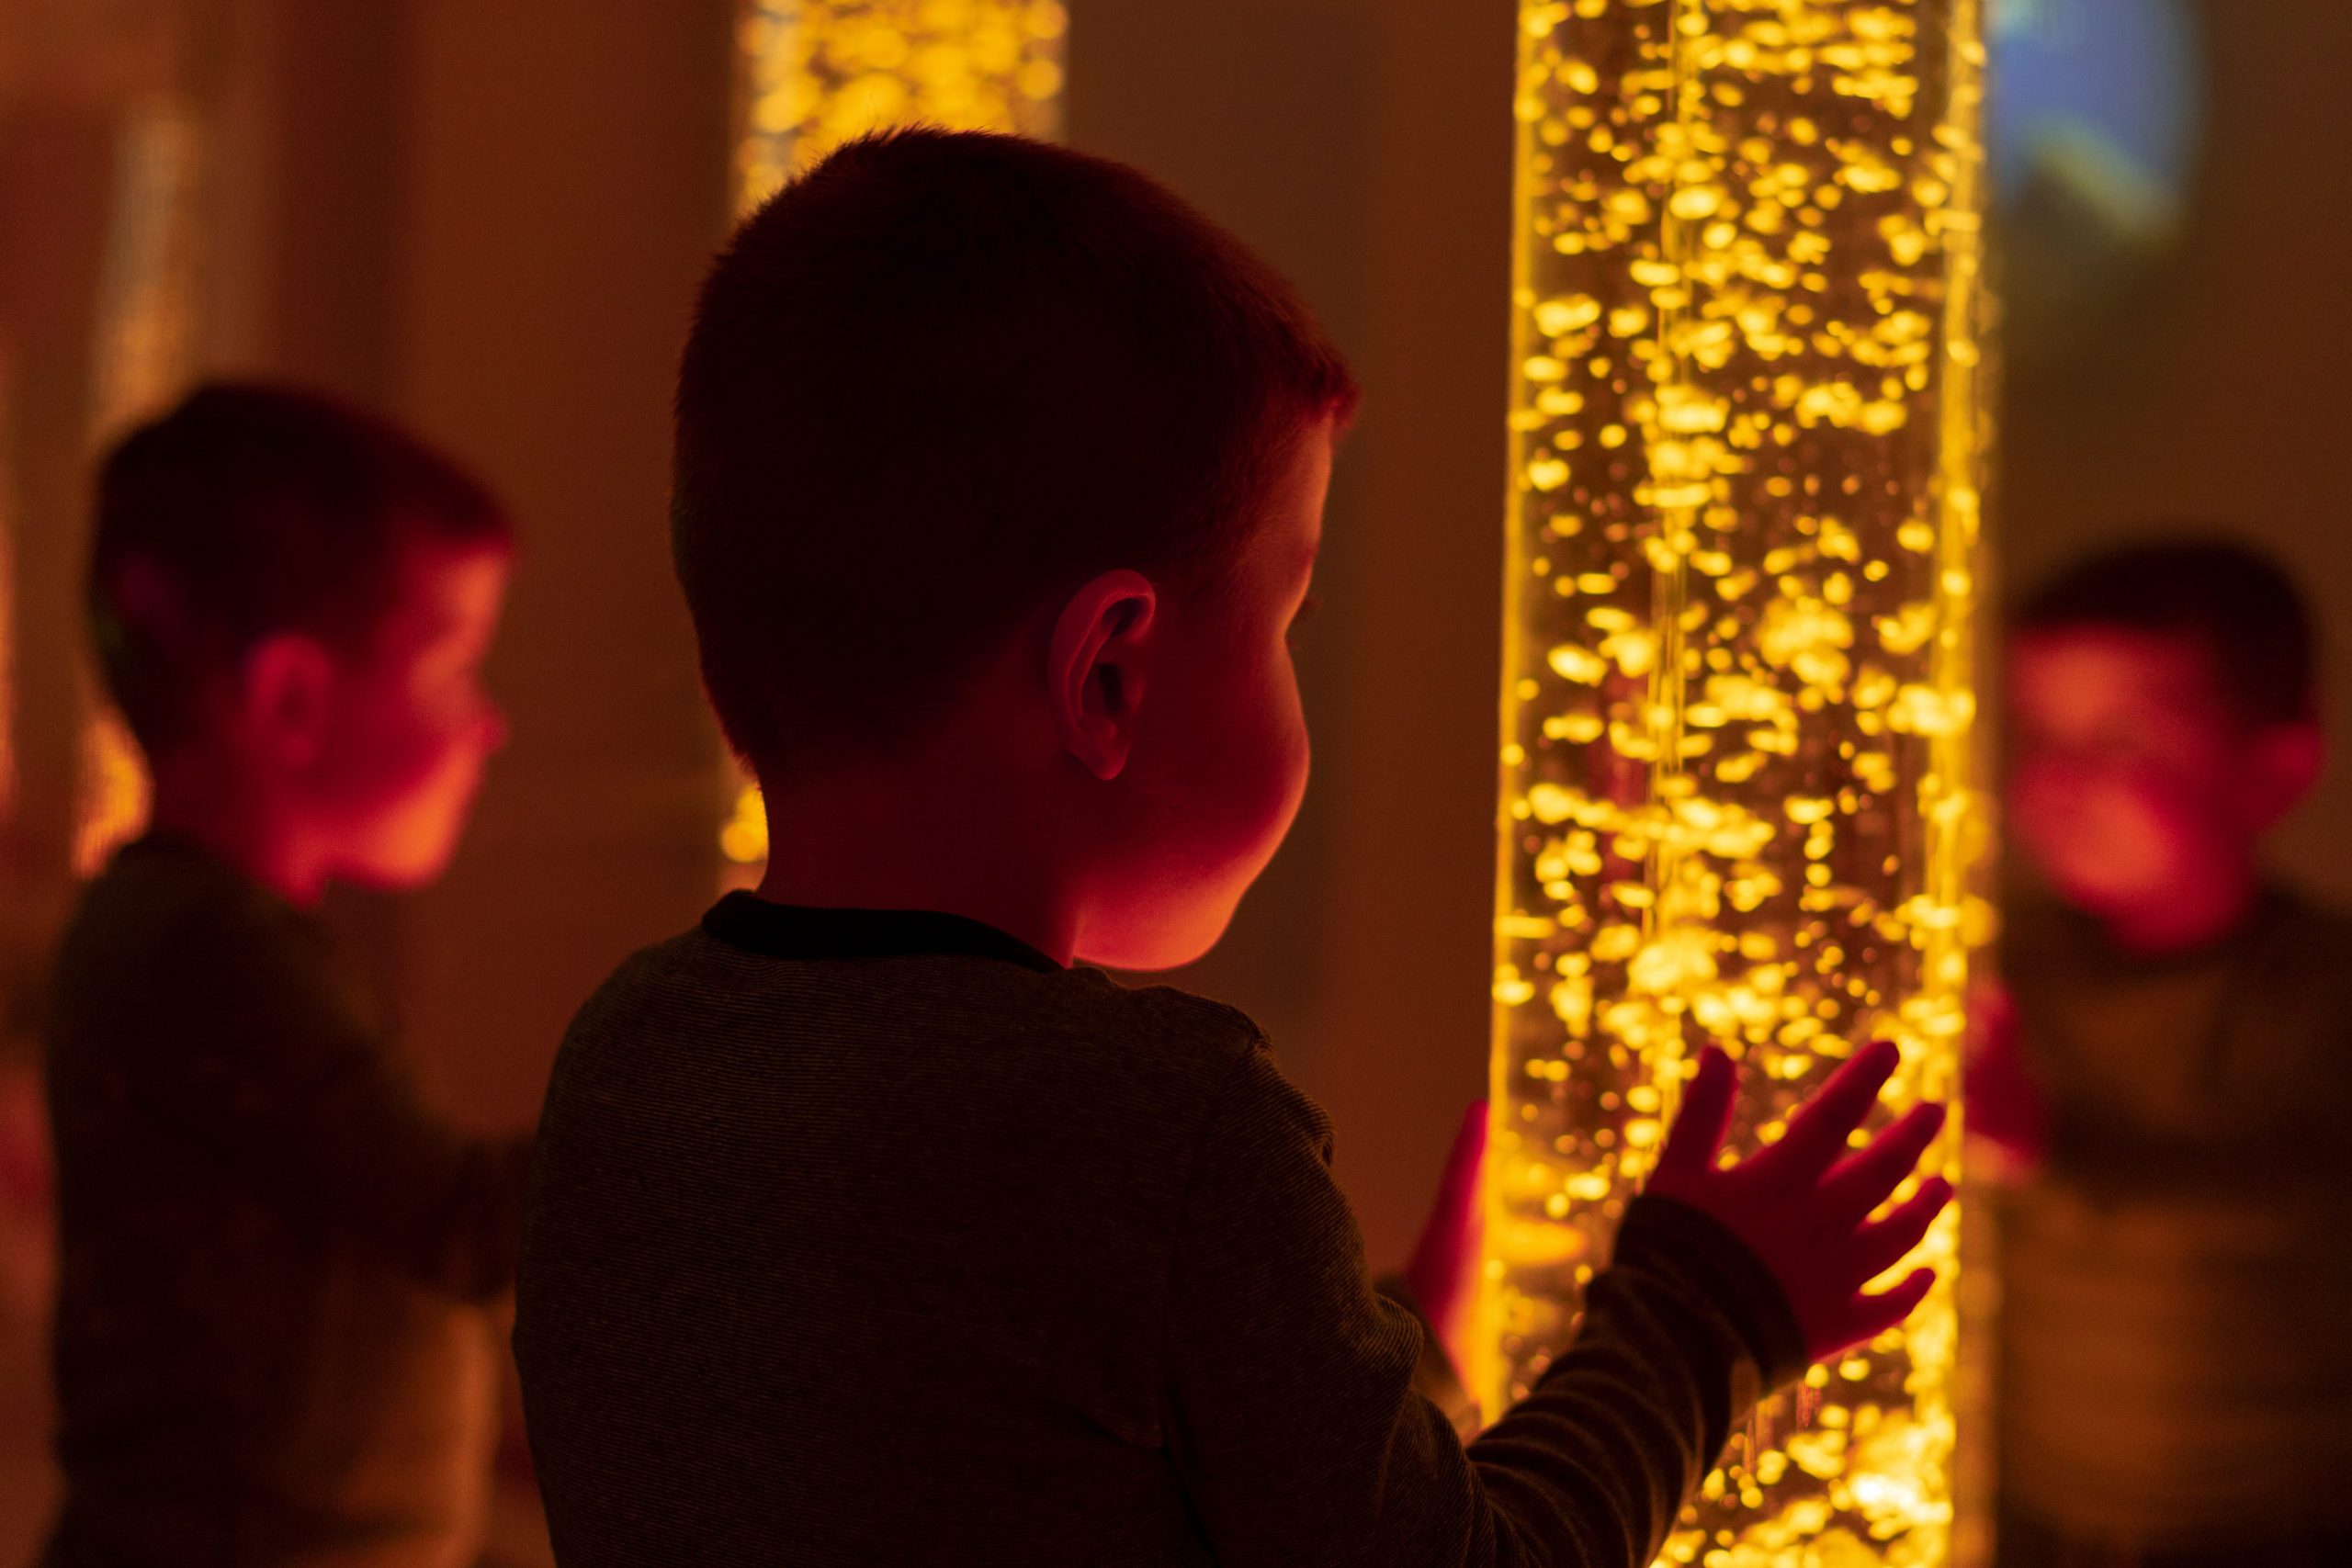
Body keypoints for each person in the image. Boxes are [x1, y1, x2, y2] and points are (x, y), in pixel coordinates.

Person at [512, 128, 1951, 1565]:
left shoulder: (625, 1056)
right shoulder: (1168, 1129)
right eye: (1285, 621)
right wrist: (1704, 1308)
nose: (1295, 665)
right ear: (1109, 677)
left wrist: (1391, 1348)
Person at [44, 384, 530, 1566]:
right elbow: (454, 1224)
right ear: (293, 699)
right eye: (455, 666)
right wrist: (706, 1092)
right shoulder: (209, 951)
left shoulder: (185, 928)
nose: (488, 727)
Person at [1973, 538, 2352, 1568]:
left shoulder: (2320, 994)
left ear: (2272, 770)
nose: (2054, 780)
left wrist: (2046, 1153)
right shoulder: (2004, 969)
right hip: (2031, 1526)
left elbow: (2298, 1199)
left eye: (2122, 741)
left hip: (2278, 1535)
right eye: (2038, 733)